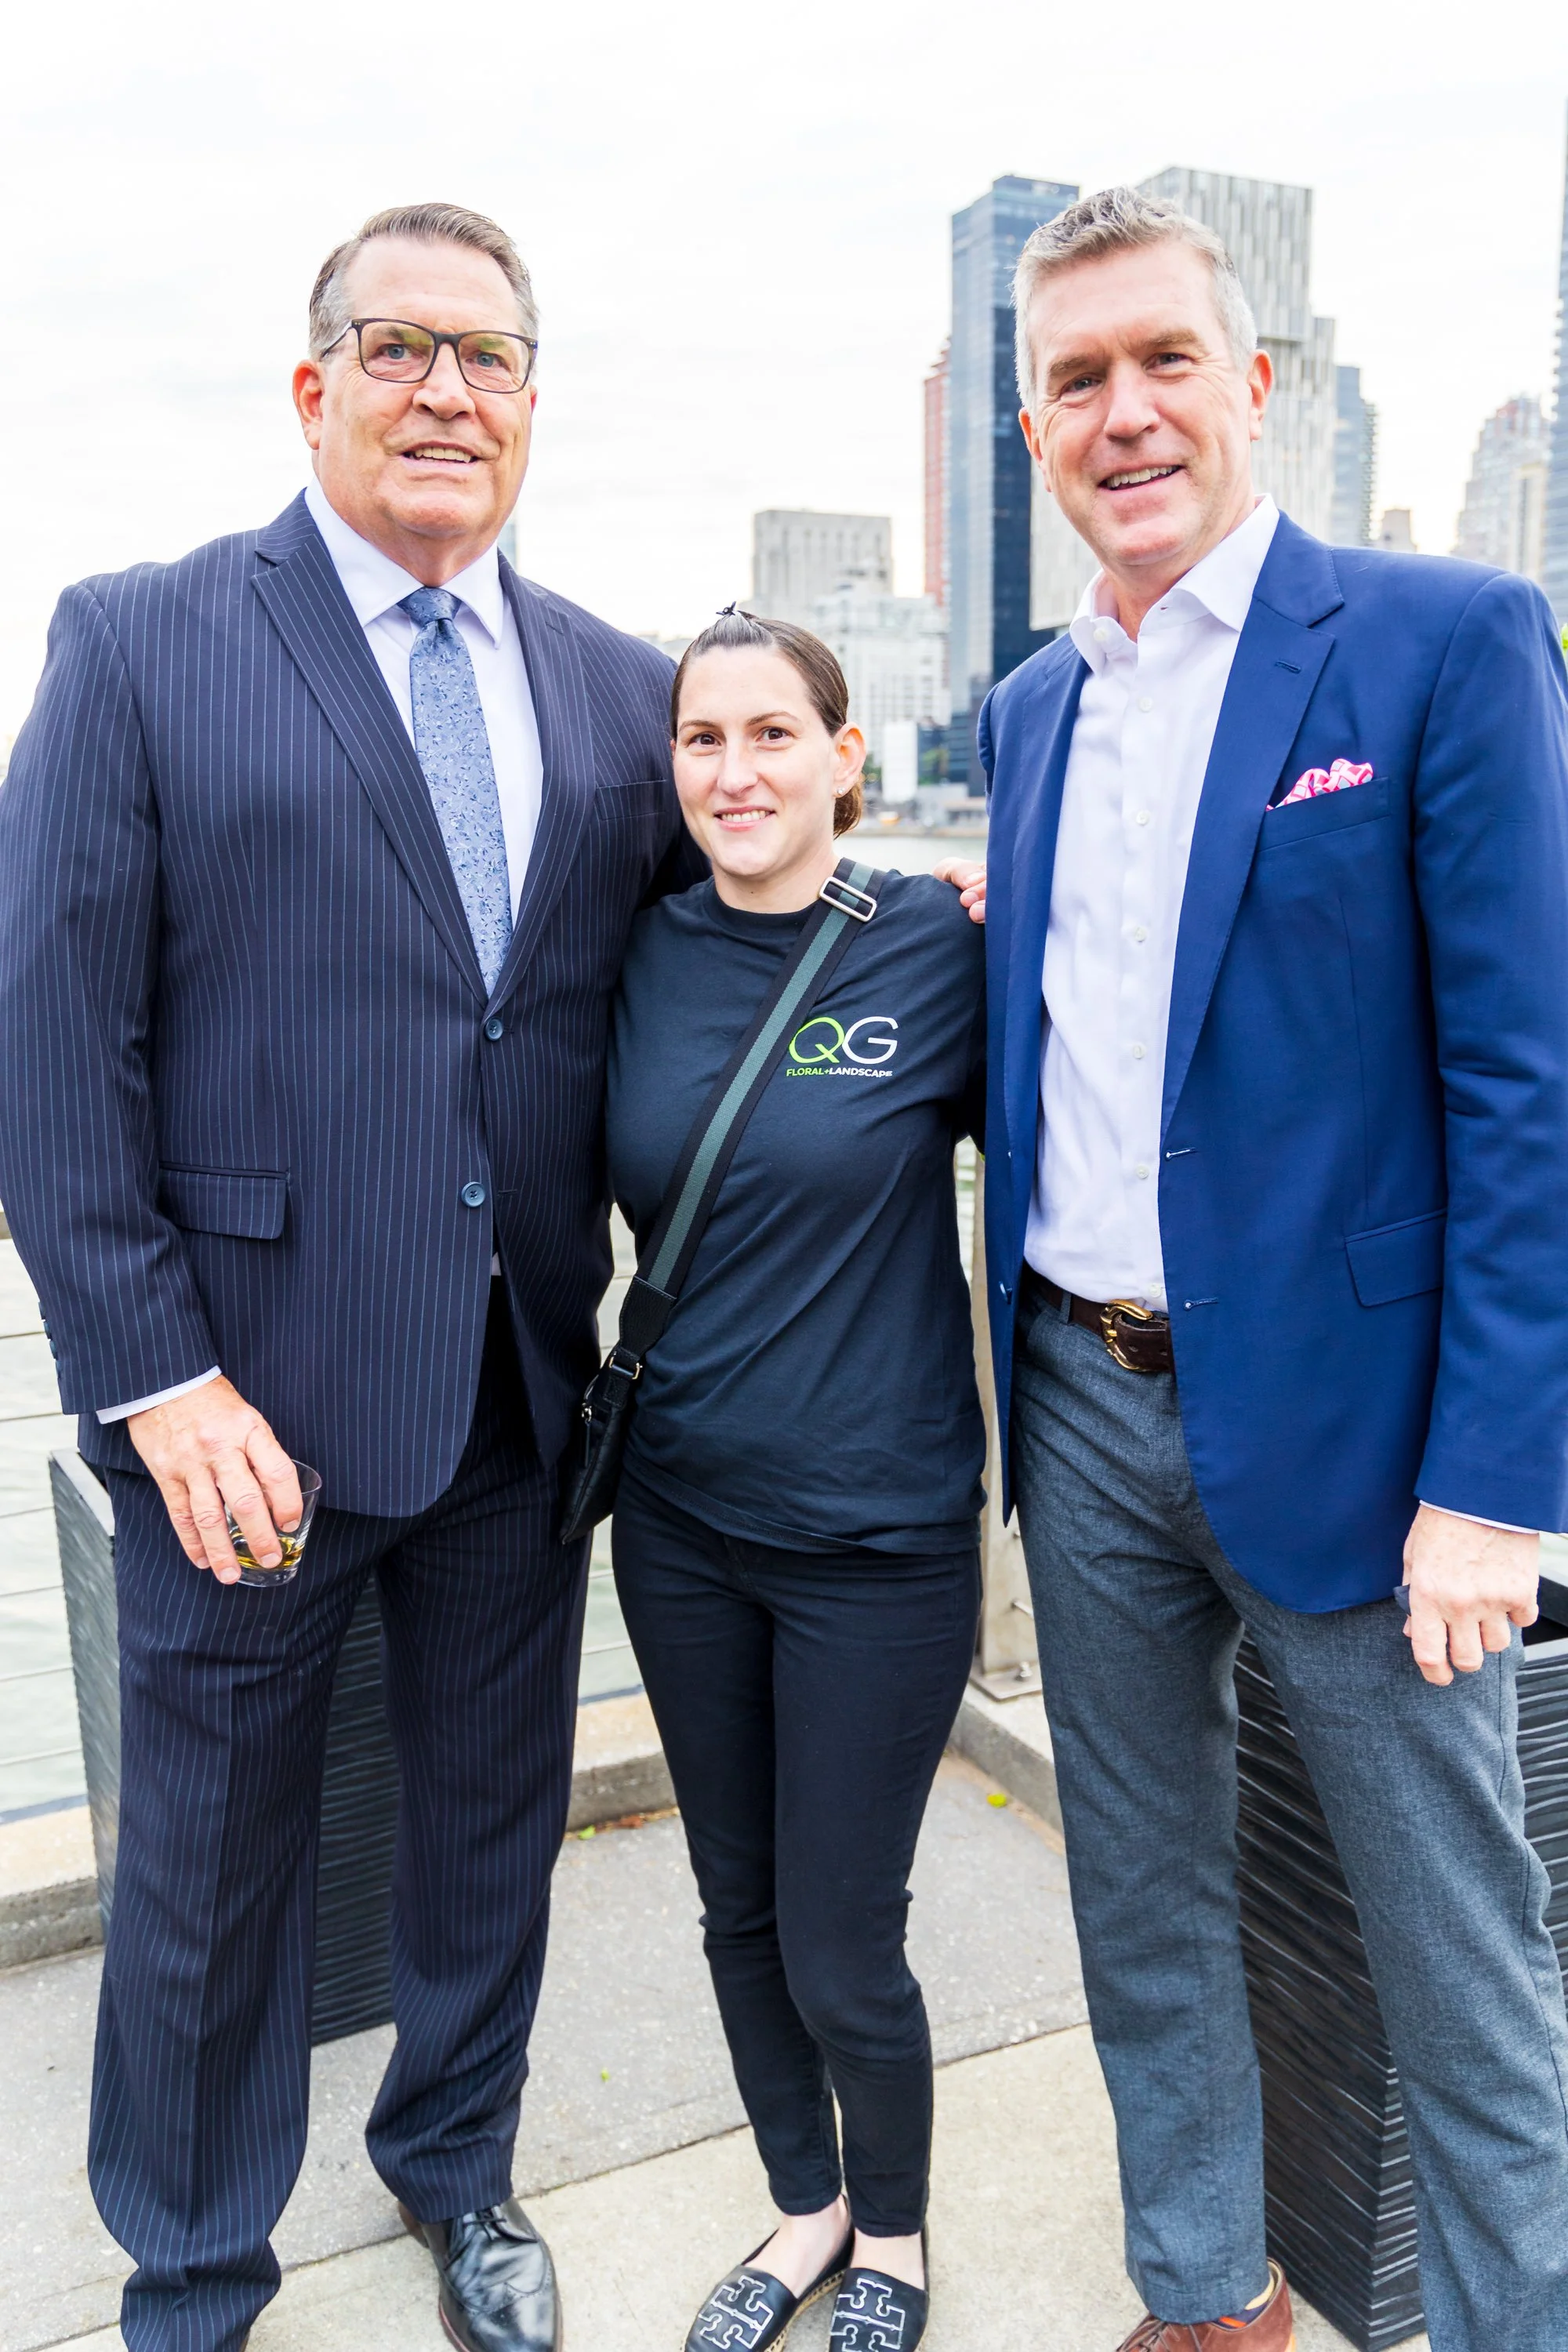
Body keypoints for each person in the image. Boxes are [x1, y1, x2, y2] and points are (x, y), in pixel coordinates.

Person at [0, 202, 703, 2352]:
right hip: (247, 1406)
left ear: (532, 404)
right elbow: (51, 1044)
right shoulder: (140, 641)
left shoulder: (617, 689)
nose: (446, 393)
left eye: (489, 357)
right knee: (210, 1876)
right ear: (313, 386)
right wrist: (155, 1377)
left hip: (513, 1394)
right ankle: (194, 2266)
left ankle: (454, 2177)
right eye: (398, 349)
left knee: (490, 1836)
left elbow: (690, 981)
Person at [979, 187, 1568, 2352]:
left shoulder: (1440, 638)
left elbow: (1532, 1083)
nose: (1121, 414)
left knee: (1461, 1965)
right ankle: (1207, 2291)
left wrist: (1497, 1481)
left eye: (1159, 363)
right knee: (1139, 1902)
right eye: (1074, 380)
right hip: (1080, 1401)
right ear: (1034, 424)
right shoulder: (1035, 713)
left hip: (1363, 1437)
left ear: (1255, 383)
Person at [604, 608, 985, 2352]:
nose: (734, 771)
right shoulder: (640, 950)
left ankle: (893, 2238)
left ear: (847, 757)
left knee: (844, 1935)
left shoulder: (936, 942)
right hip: (679, 1523)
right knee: (736, 1906)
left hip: (875, 1539)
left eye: (773, 735)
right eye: (702, 740)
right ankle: (801, 2205)